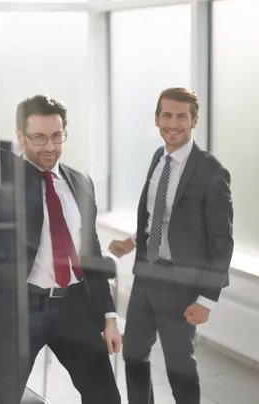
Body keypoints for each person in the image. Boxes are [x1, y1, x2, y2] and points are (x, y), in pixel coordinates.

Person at [0, 66, 122, 404]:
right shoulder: (5, 174)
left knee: (105, 397)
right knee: (2, 399)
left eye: (57, 136)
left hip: (74, 306)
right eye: (39, 137)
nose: (49, 146)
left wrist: (109, 317)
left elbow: (92, 253)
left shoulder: (80, 182)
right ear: (21, 136)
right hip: (21, 309)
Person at [108, 87, 234, 404]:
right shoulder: (158, 158)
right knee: (134, 354)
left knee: (179, 366)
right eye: (167, 115)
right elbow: (159, 216)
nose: (173, 123)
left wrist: (207, 299)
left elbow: (222, 243)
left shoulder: (211, 171)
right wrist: (132, 241)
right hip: (147, 274)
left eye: (182, 116)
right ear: (157, 118)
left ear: (194, 121)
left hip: (182, 283)